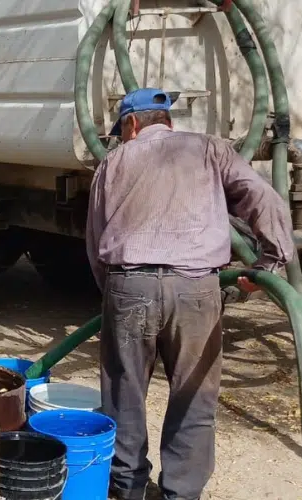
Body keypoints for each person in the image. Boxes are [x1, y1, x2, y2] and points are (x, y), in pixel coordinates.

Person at [86, 88, 295, 500]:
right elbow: (262, 197)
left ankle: (125, 488)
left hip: (130, 285)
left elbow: (95, 242)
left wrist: (112, 294)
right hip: (198, 288)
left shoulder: (112, 162)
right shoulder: (209, 149)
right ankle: (181, 493)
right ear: (167, 122)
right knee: (193, 397)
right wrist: (269, 262)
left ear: (131, 124)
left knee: (123, 393)